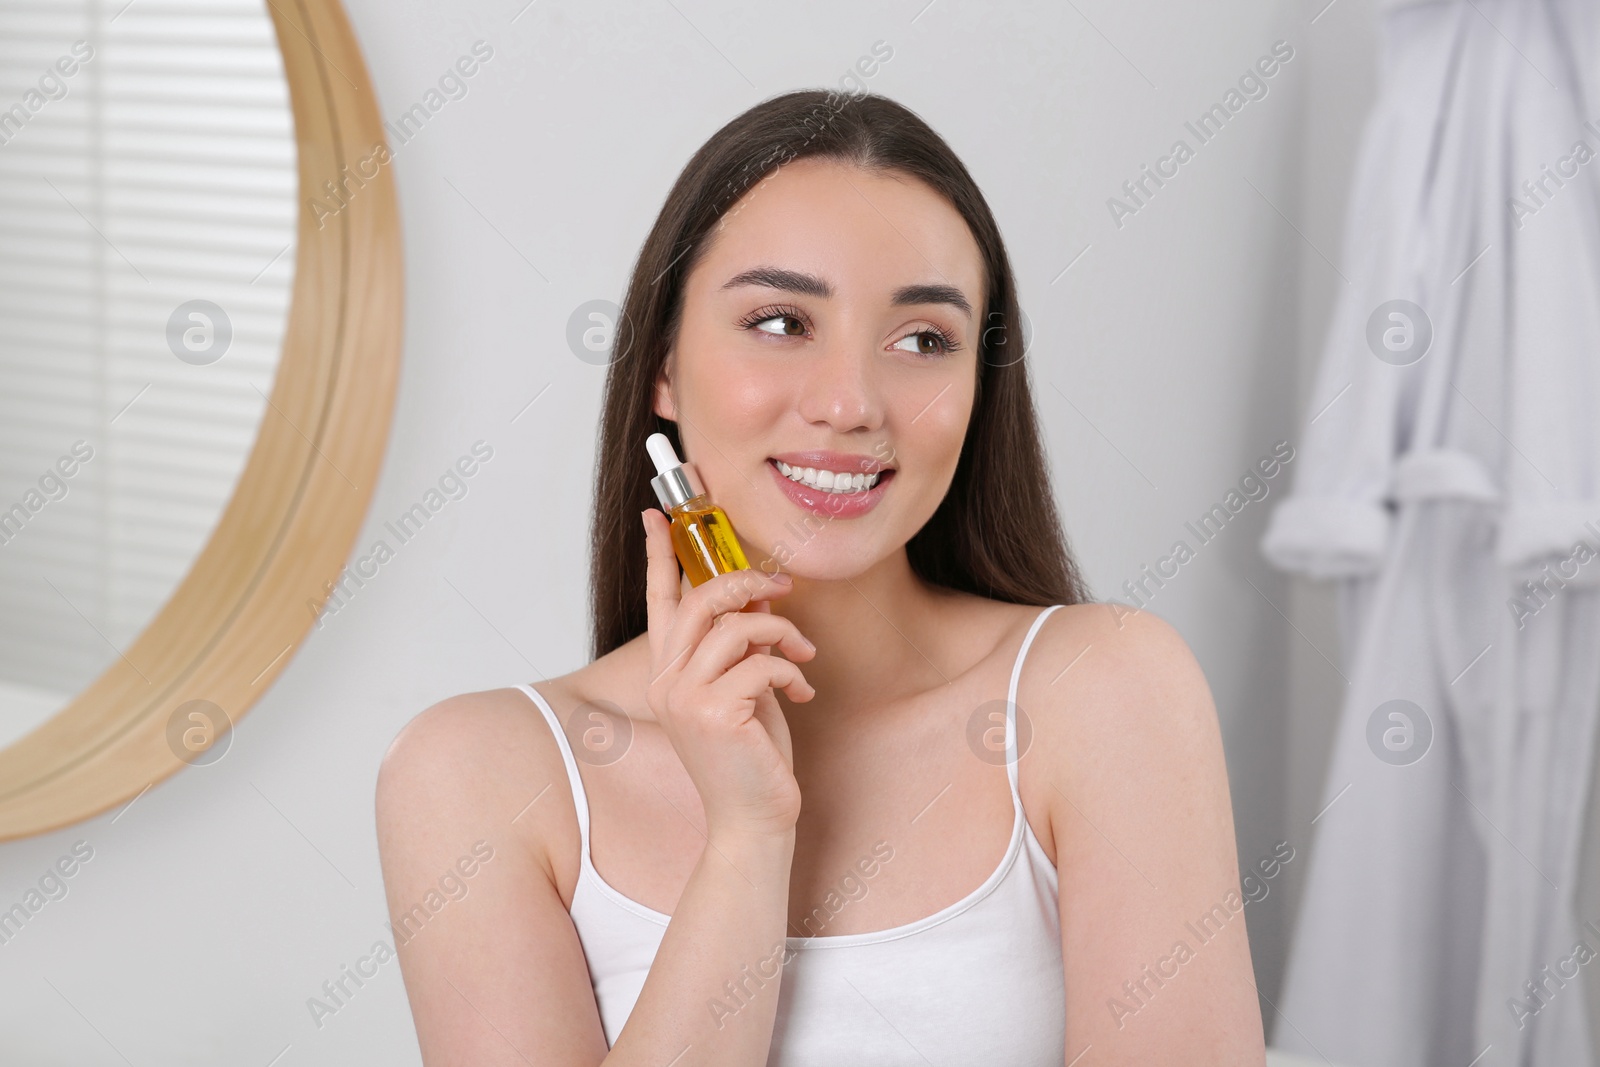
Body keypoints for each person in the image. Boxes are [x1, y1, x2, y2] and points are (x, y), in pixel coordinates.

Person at [376, 88, 1265, 1065]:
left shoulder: (1102, 689)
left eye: (922, 338)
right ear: (663, 364)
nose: (850, 404)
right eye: (779, 321)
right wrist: (748, 839)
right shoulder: (477, 774)